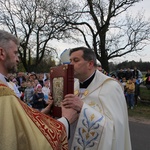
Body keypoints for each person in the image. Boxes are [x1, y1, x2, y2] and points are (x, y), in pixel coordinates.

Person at [0, 30, 78, 150]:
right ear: (1, 53)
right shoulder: (3, 94)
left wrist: (43, 113)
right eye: (15, 53)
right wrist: (66, 121)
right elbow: (32, 141)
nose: (18, 59)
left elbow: (18, 125)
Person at [62, 47, 131, 150]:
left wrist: (82, 108)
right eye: (70, 60)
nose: (70, 64)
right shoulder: (73, 85)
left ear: (90, 64)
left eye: (76, 60)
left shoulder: (111, 87)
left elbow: (115, 128)